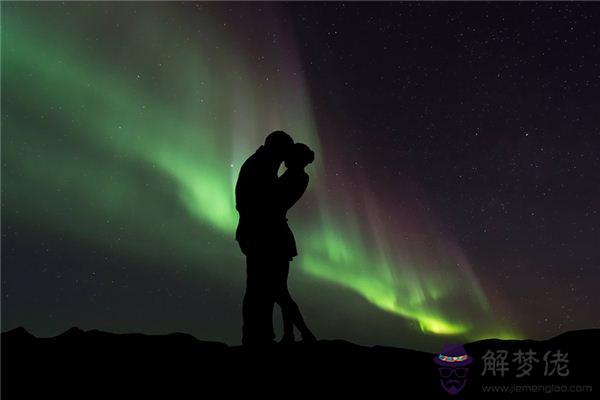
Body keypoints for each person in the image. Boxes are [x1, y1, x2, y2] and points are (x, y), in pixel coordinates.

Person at [235, 131, 294, 346]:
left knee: (262, 288)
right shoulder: (260, 165)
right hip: (259, 234)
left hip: (257, 232)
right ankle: (256, 337)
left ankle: (258, 336)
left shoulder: (261, 163)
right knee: (260, 288)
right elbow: (259, 203)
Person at [274, 143, 317, 344]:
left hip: (277, 235)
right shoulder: (298, 176)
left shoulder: (297, 177)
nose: (284, 159)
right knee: (281, 289)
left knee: (279, 291)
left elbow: (276, 198)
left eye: (289, 156)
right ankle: (291, 335)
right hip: (280, 234)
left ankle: (304, 334)